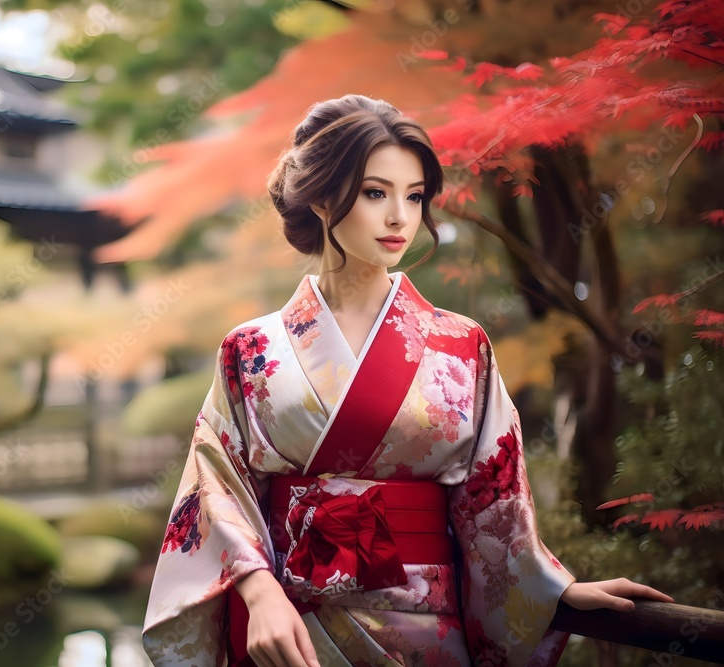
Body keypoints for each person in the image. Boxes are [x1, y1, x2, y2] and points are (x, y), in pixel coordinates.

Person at [141, 94, 672, 667]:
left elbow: (492, 500)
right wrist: (257, 587)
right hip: (291, 629)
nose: (400, 217)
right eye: (376, 193)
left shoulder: (459, 345)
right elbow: (215, 487)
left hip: (424, 633)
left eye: (414, 197)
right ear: (320, 199)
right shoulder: (250, 349)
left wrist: (552, 591)